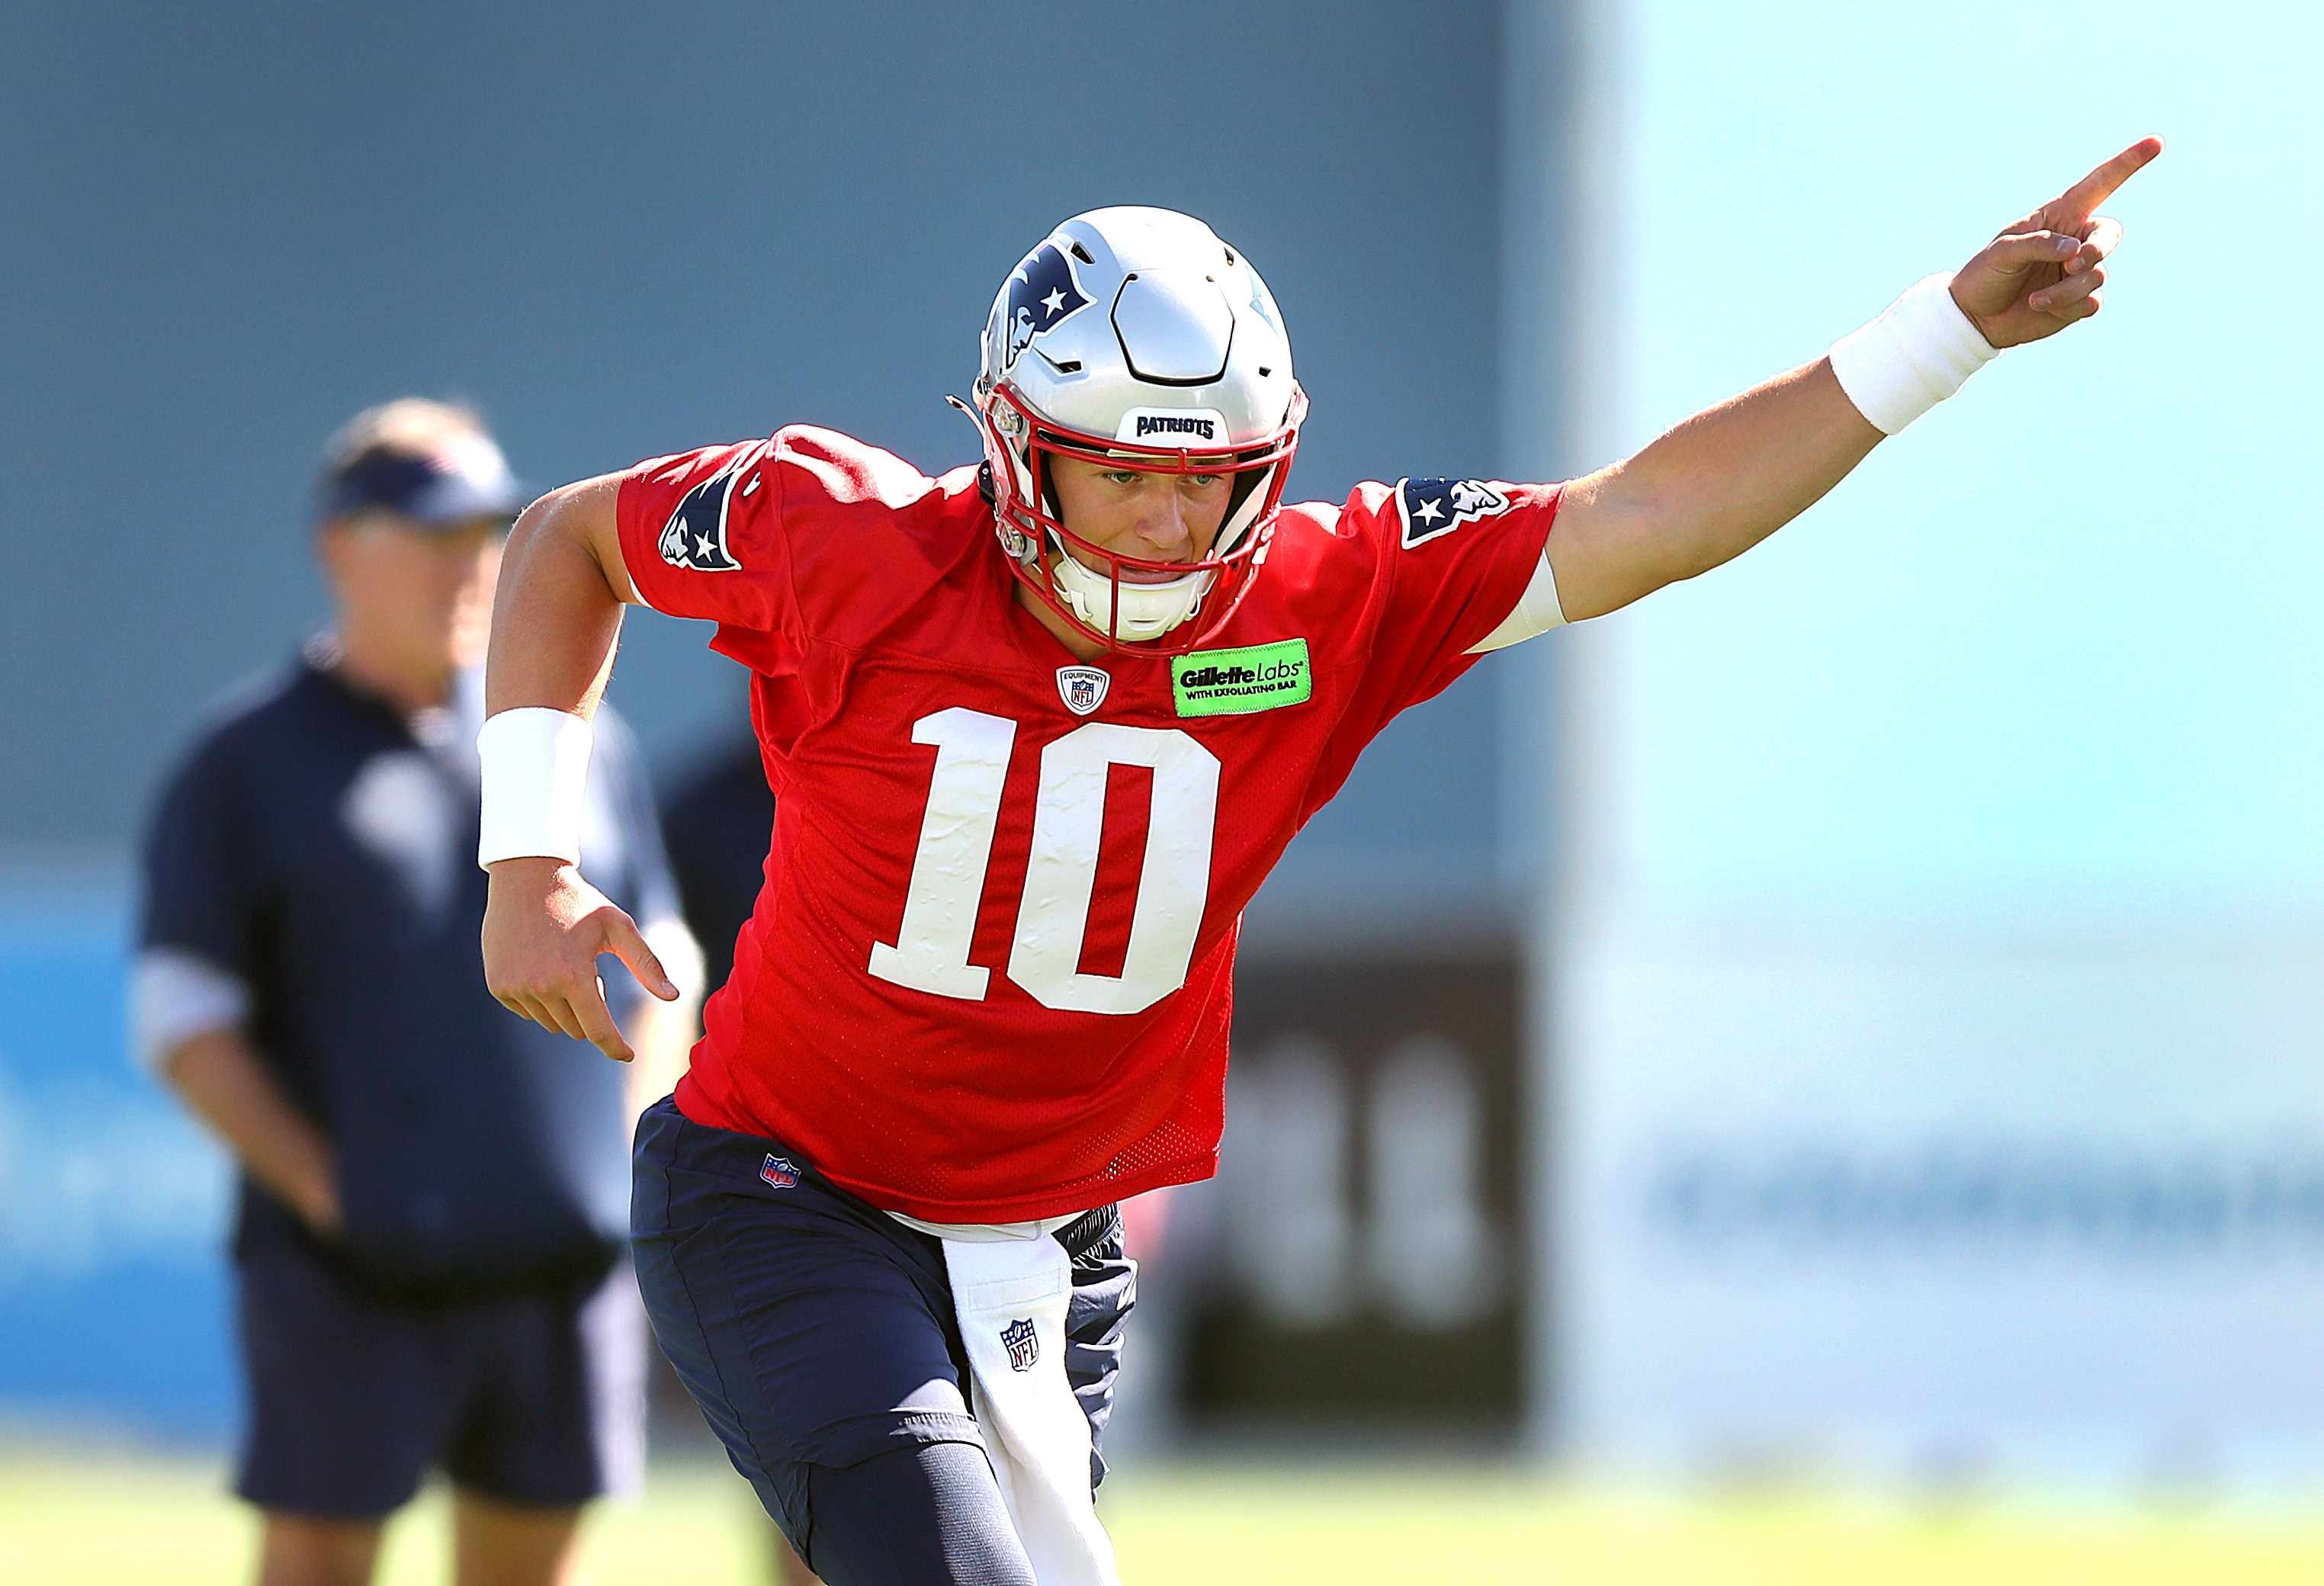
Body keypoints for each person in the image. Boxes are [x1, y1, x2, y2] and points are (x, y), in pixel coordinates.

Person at [478, 141, 2159, 1586]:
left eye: (1203, 482)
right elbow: (567, 541)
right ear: (1014, 444)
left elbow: (1649, 512)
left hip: (1047, 1241)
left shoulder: (1322, 596)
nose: (1158, 524)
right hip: (785, 1189)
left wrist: (1941, 337)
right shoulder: (836, 532)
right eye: (1117, 472)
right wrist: (527, 860)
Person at [135, 400, 700, 1586]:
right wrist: (329, 1192)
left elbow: (667, 965)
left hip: (559, 1265)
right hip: (350, 1274)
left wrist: (626, 1156)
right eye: (431, 531)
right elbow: (183, 1016)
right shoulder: (248, 759)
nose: (469, 562)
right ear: (339, 546)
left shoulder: (576, 744)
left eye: (488, 531)